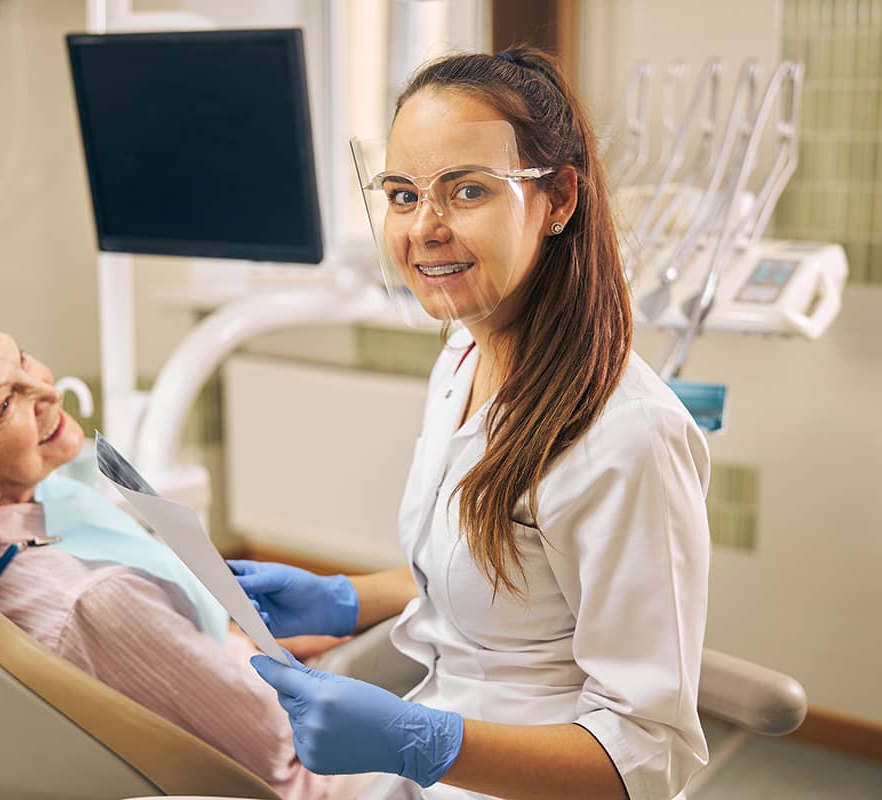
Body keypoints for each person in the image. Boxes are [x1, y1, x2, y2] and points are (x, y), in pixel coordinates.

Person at [232, 47, 711, 800]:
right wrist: (350, 597)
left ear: (558, 199)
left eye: (466, 191)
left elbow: (651, 755)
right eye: (400, 193)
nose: (424, 227)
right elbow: (513, 582)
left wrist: (426, 744)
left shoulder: (629, 439)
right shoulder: (462, 354)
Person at [0, 304, 356, 800]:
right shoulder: (88, 602)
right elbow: (278, 750)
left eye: (25, 360)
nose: (47, 392)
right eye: (5, 405)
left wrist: (236, 645)